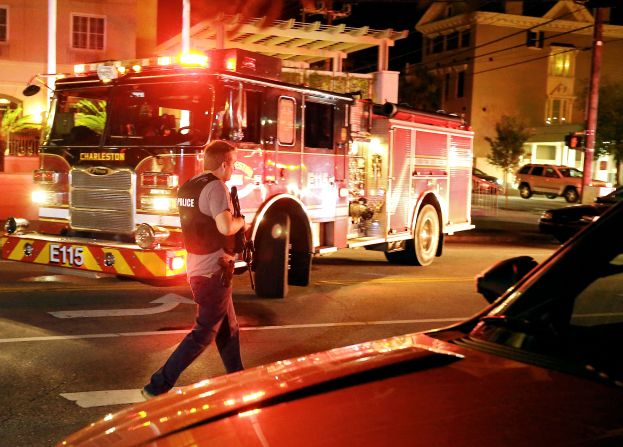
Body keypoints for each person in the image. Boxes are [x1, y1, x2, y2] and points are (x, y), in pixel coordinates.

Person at [142, 140, 245, 398]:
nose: (233, 168)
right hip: (213, 271)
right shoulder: (217, 187)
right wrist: (241, 221)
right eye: (233, 163)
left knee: (228, 330)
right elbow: (225, 227)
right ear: (224, 164)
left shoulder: (189, 186)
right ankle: (158, 385)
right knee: (203, 334)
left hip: (198, 267)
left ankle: (240, 378)